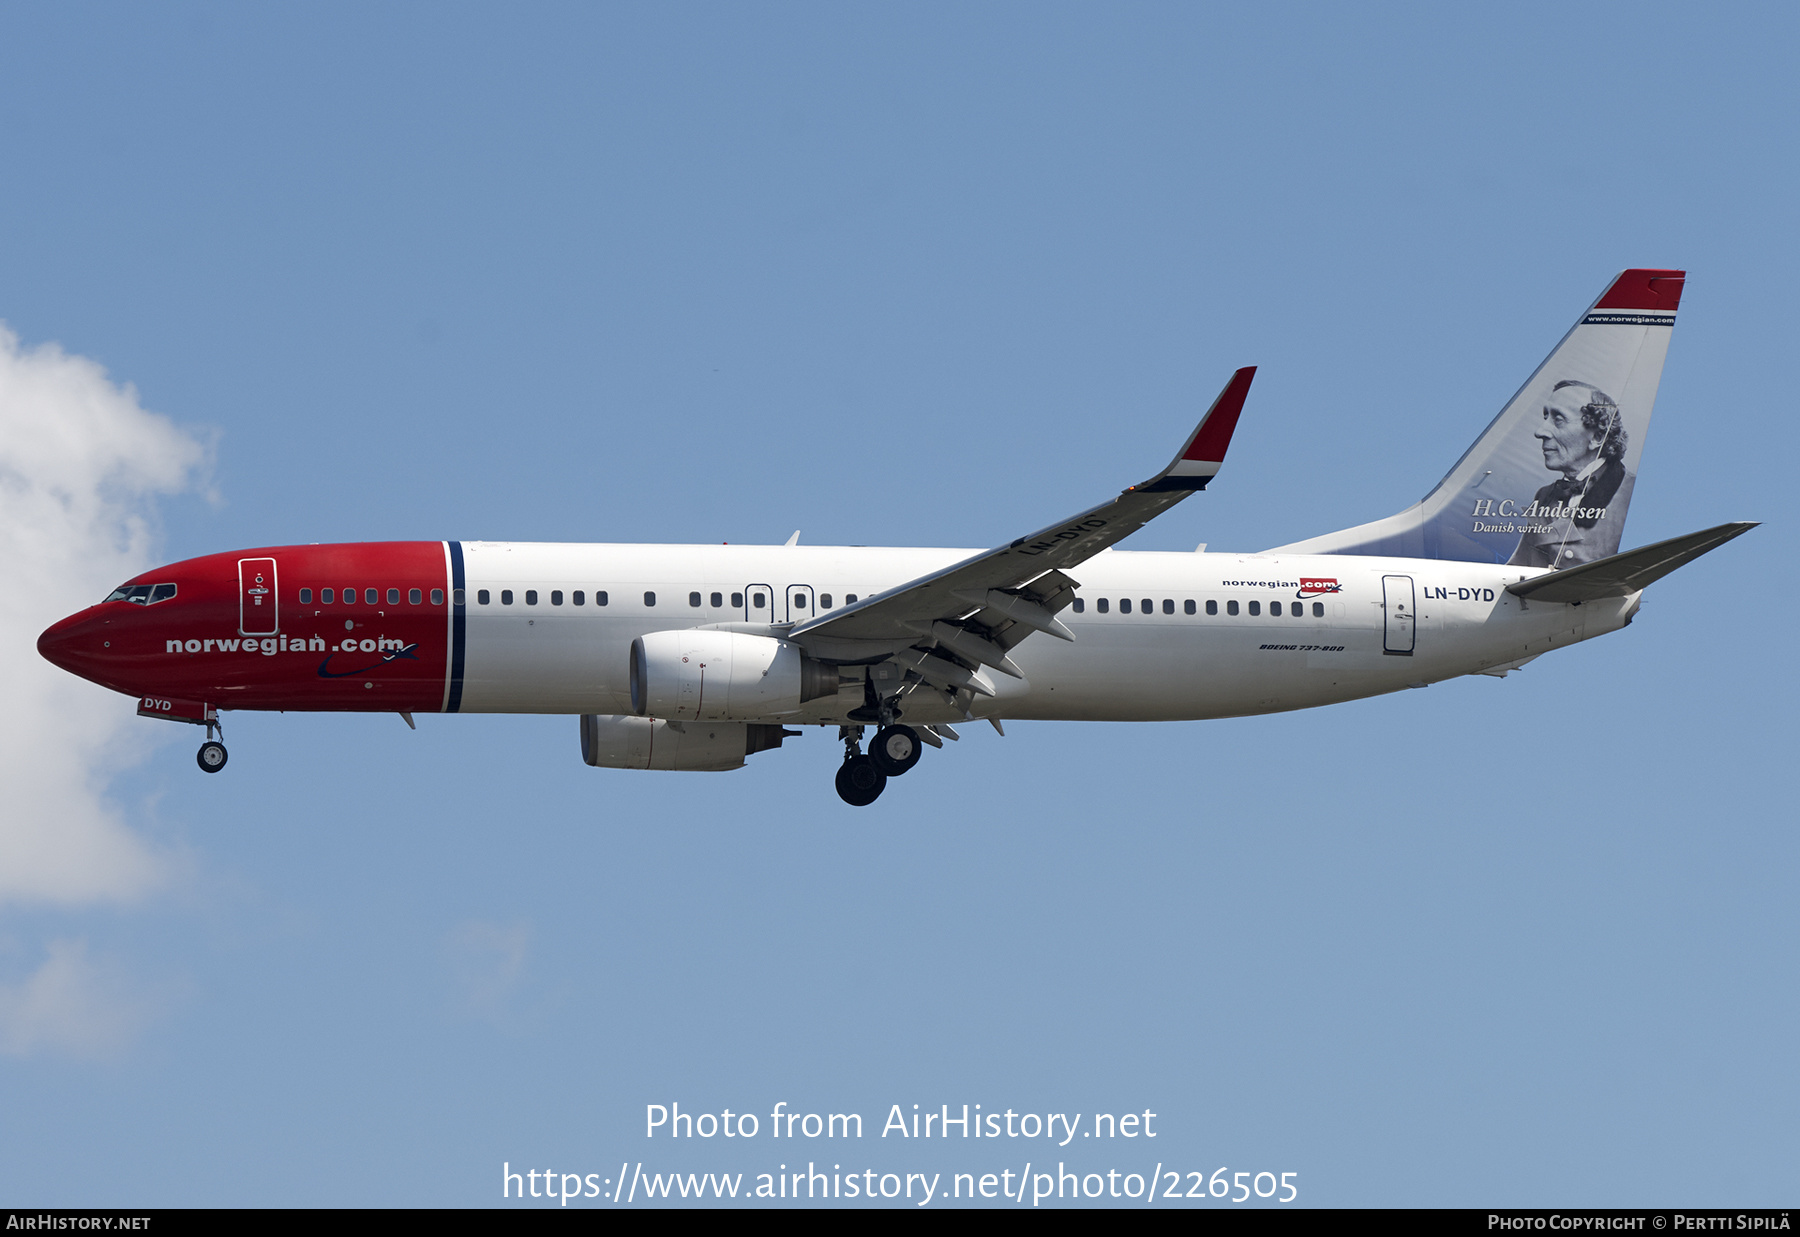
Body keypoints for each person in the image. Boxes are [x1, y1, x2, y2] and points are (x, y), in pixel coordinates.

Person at [1508, 380, 1633, 568]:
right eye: (1545, 417)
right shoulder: (1544, 496)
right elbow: (1521, 565)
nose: (1540, 432)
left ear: (1597, 437)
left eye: (1558, 419)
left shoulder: (1627, 492)